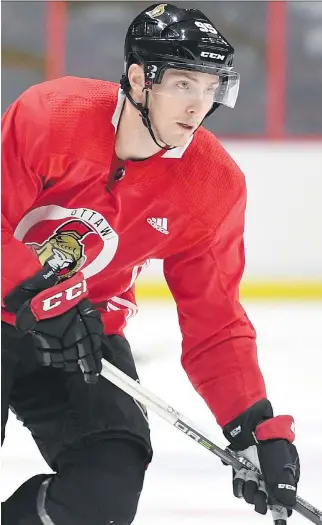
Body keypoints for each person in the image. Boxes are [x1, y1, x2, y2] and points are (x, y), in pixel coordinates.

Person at [1, 3, 300, 525]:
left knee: (106, 488)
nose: (197, 106)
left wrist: (250, 424)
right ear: (139, 79)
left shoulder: (211, 186)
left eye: (211, 88)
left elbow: (217, 320)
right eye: (184, 84)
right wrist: (36, 289)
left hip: (83, 338)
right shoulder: (52, 116)